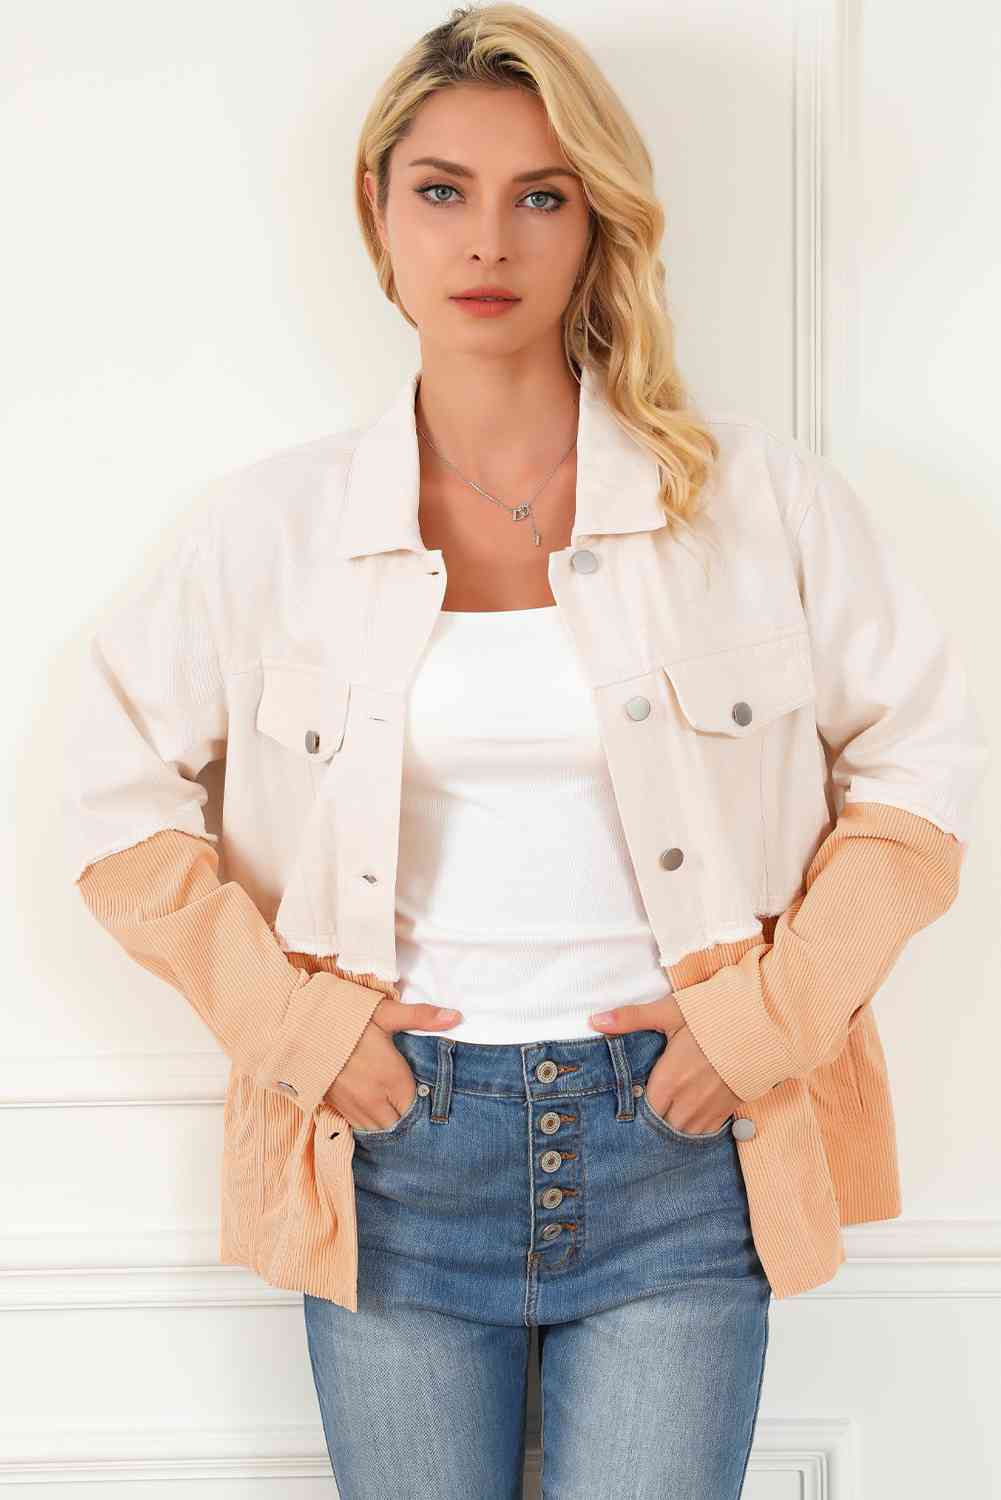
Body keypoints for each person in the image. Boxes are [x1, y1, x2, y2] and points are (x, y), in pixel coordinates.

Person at [64, 5, 989, 1497]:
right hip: (388, 1157)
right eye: (442, 190)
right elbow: (112, 810)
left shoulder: (753, 505)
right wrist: (298, 1032)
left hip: (682, 1148)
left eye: (539, 196)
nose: (486, 240)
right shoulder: (270, 531)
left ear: (596, 221)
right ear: (377, 212)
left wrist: (766, 1023)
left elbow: (921, 773)